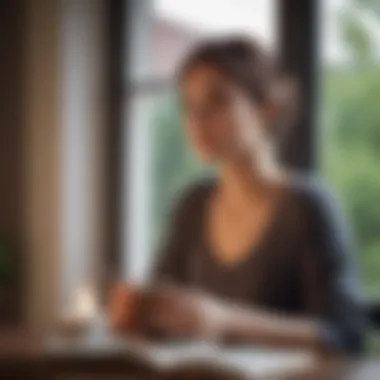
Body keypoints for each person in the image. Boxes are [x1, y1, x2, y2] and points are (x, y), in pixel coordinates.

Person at [110, 36, 367, 355]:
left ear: (267, 110)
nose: (198, 120)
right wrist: (141, 312)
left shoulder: (308, 206)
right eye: (191, 106)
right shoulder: (193, 204)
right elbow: (164, 312)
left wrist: (223, 320)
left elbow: (345, 335)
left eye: (217, 101)